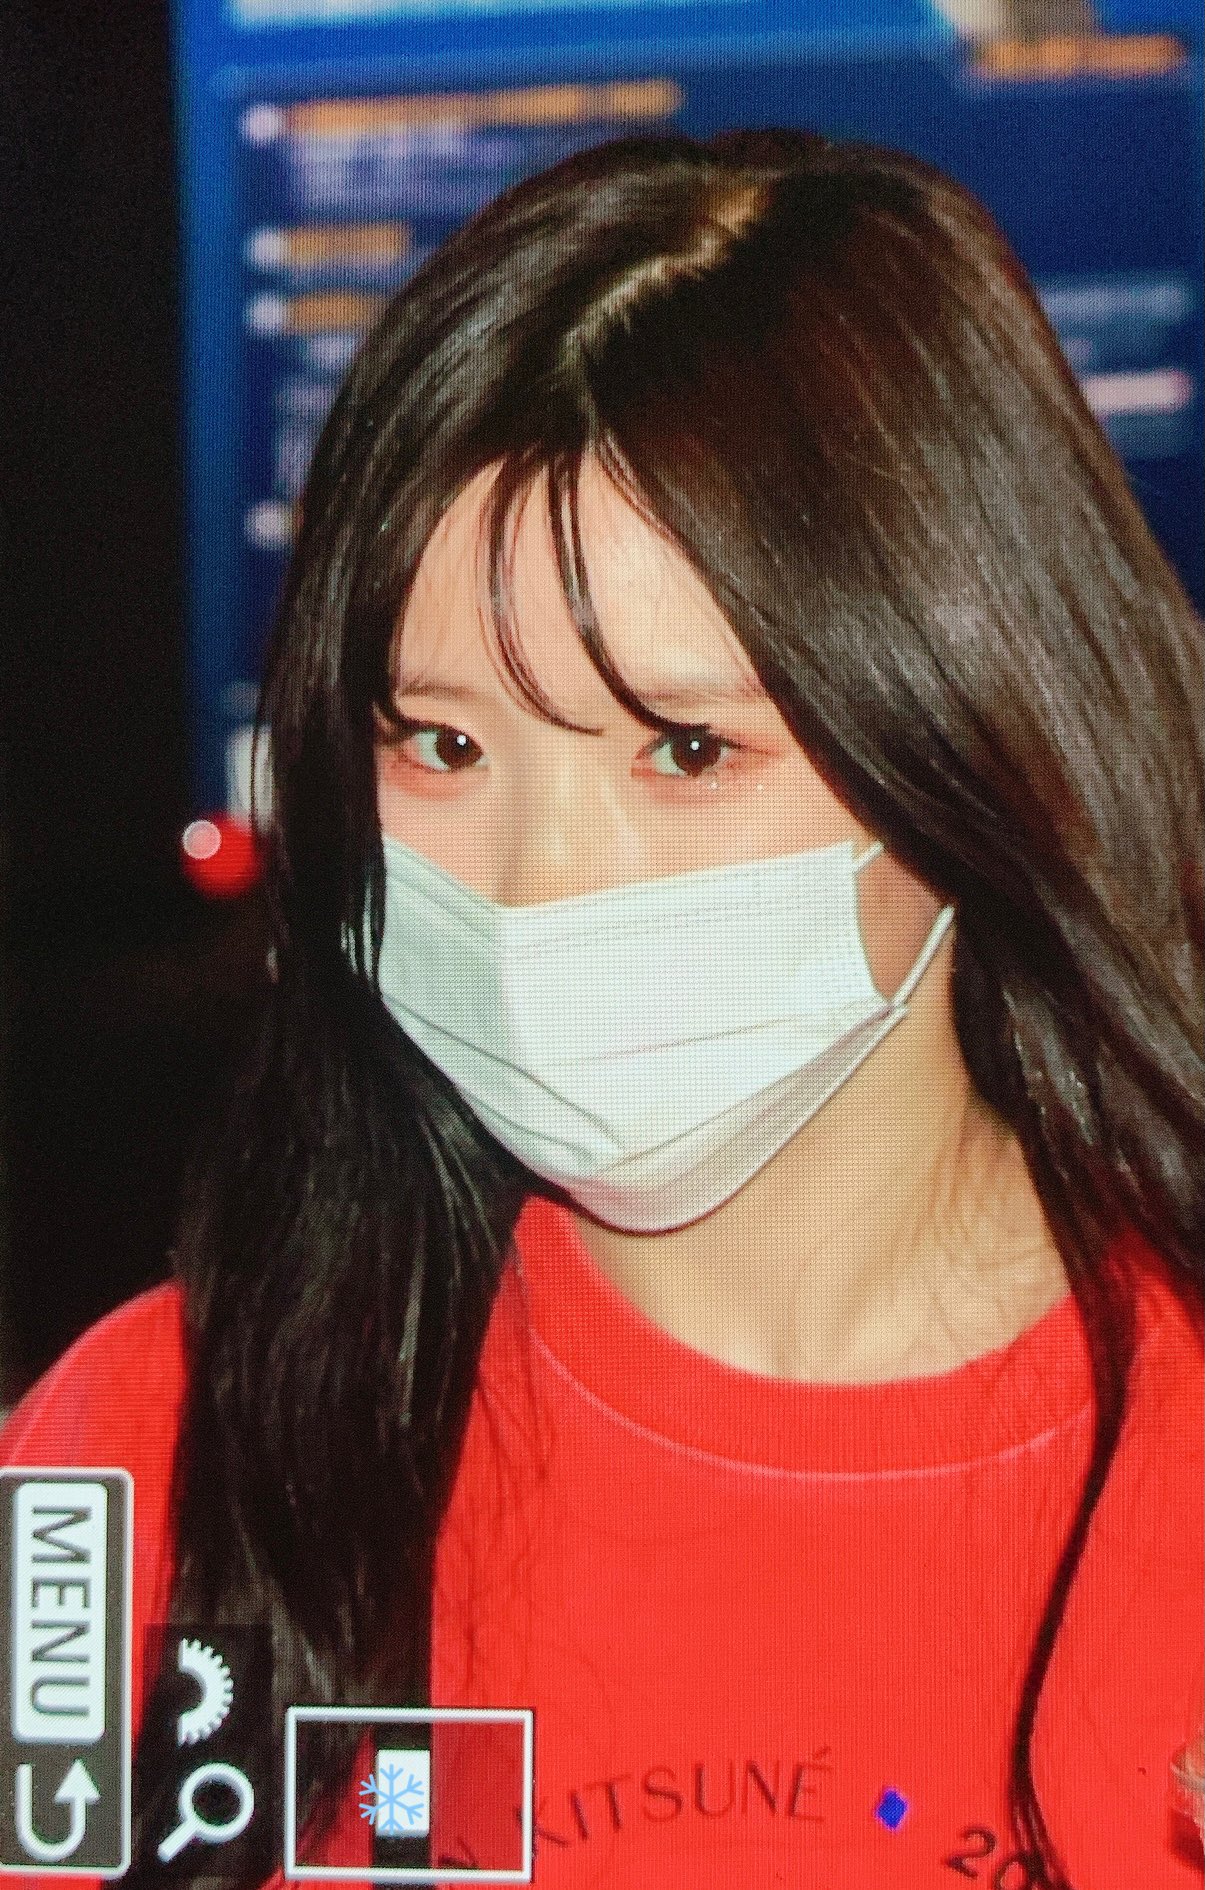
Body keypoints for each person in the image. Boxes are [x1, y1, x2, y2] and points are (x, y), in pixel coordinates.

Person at [2, 128, 1202, 1890]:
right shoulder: (145, 1457)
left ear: (969, 742)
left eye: (685, 749)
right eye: (441, 740)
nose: (536, 881)